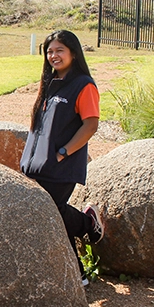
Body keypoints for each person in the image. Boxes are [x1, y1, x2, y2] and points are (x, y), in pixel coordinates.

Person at [20, 30, 105, 287]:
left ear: (73, 53)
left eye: (59, 50)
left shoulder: (84, 85)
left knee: (51, 212)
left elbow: (90, 125)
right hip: (37, 164)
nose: (53, 56)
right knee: (49, 215)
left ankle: (87, 224)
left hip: (61, 164)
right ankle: (78, 272)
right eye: (49, 51)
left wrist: (63, 152)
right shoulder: (49, 82)